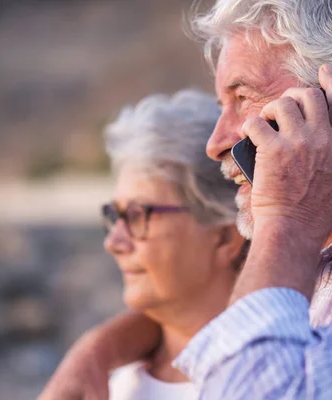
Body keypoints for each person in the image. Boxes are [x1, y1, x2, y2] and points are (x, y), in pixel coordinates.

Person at [40, 1, 332, 399]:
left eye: (241, 97)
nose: (216, 140)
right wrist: (98, 350)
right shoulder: (318, 266)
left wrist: (285, 216)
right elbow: (196, 319)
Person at [39, 90, 247, 400]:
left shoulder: (279, 377)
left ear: (225, 237)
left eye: (137, 215)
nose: (113, 242)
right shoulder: (104, 385)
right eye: (115, 215)